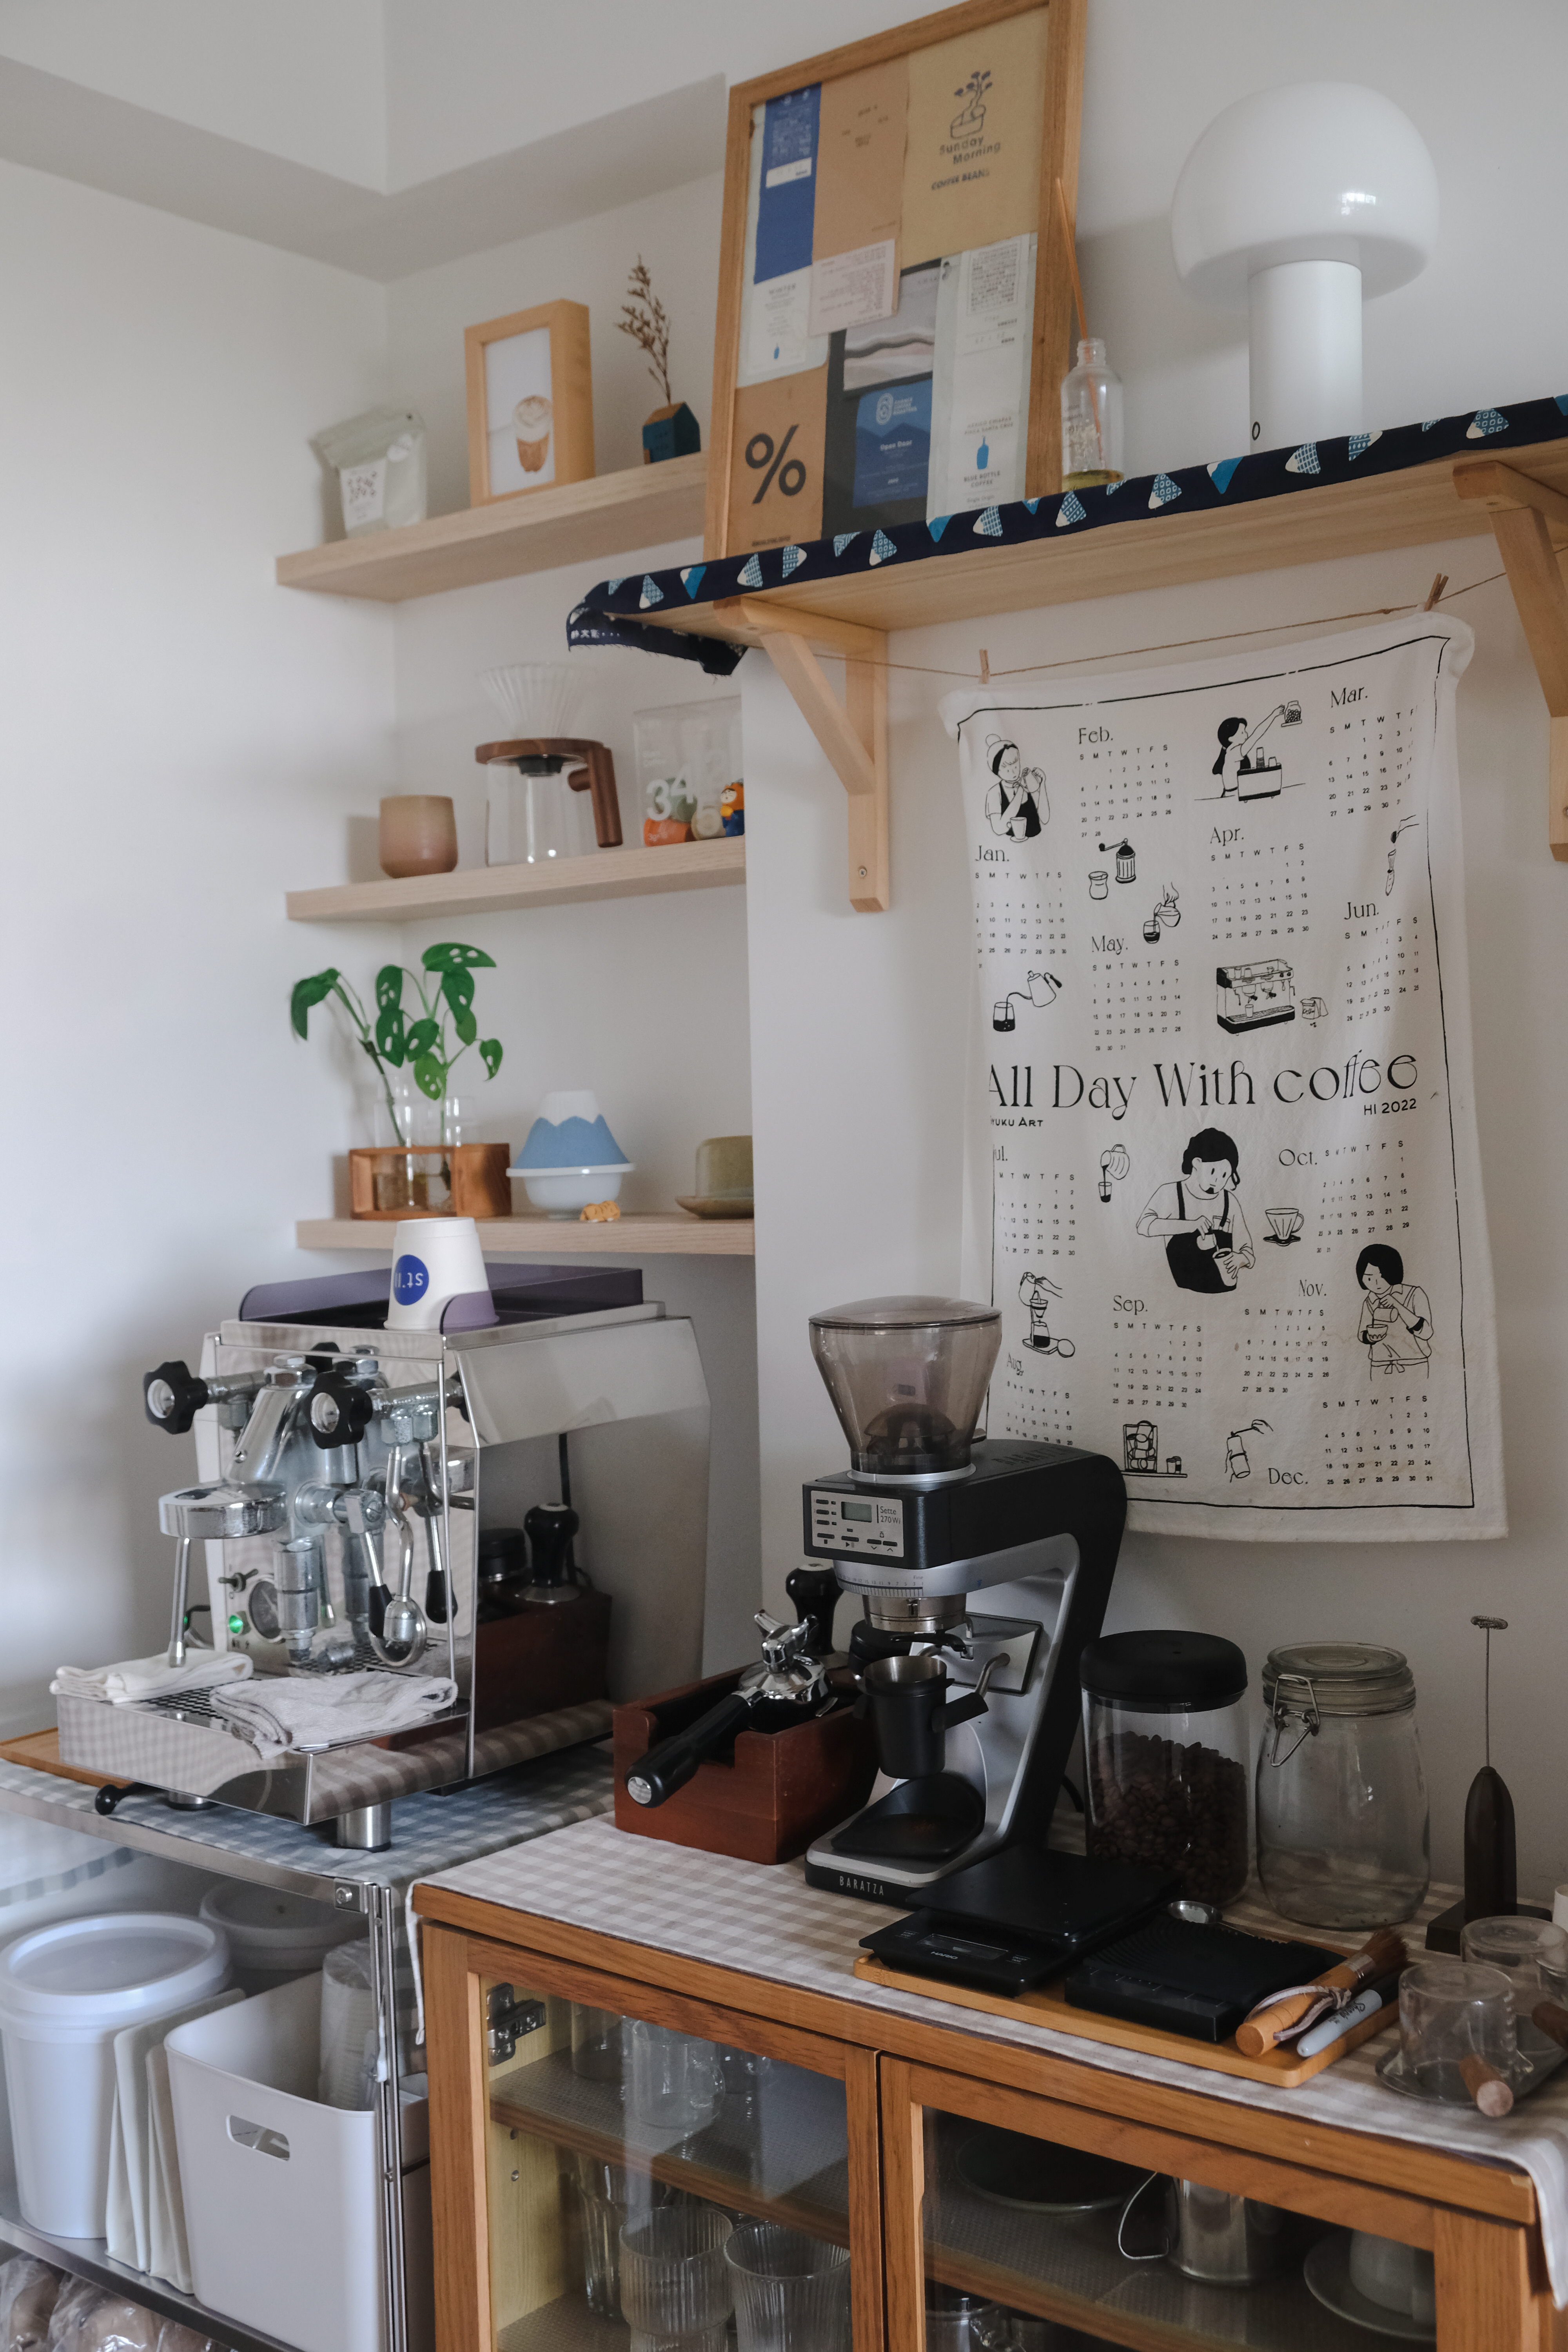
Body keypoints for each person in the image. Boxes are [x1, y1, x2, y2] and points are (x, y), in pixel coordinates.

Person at [1136, 1128, 1255, 1294]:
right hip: (1182, 1297)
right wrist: (1190, 1226)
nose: (1217, 1182)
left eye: (1225, 1176)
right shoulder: (1171, 1193)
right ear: (1197, 1164)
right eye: (1213, 1172)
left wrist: (1242, 1259)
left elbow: (1247, 1249)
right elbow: (1144, 1226)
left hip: (1226, 1296)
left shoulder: (1230, 1201)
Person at [1356, 1244, 1432, 1370]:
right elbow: (1362, 1333)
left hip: (1415, 1363)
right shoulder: (1370, 1301)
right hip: (1380, 1364)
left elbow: (1427, 1333)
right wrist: (1370, 1338)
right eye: (1369, 1278)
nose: (1376, 1284)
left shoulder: (1414, 1294)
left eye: (1381, 1276)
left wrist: (1397, 1305)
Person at [984, 736, 1047, 838]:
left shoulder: (1028, 782)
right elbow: (999, 829)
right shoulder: (995, 793)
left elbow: (1045, 818)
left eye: (1016, 766)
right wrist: (1021, 790)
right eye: (1007, 770)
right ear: (997, 772)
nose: (1014, 772)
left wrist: (1042, 784)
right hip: (1012, 851)